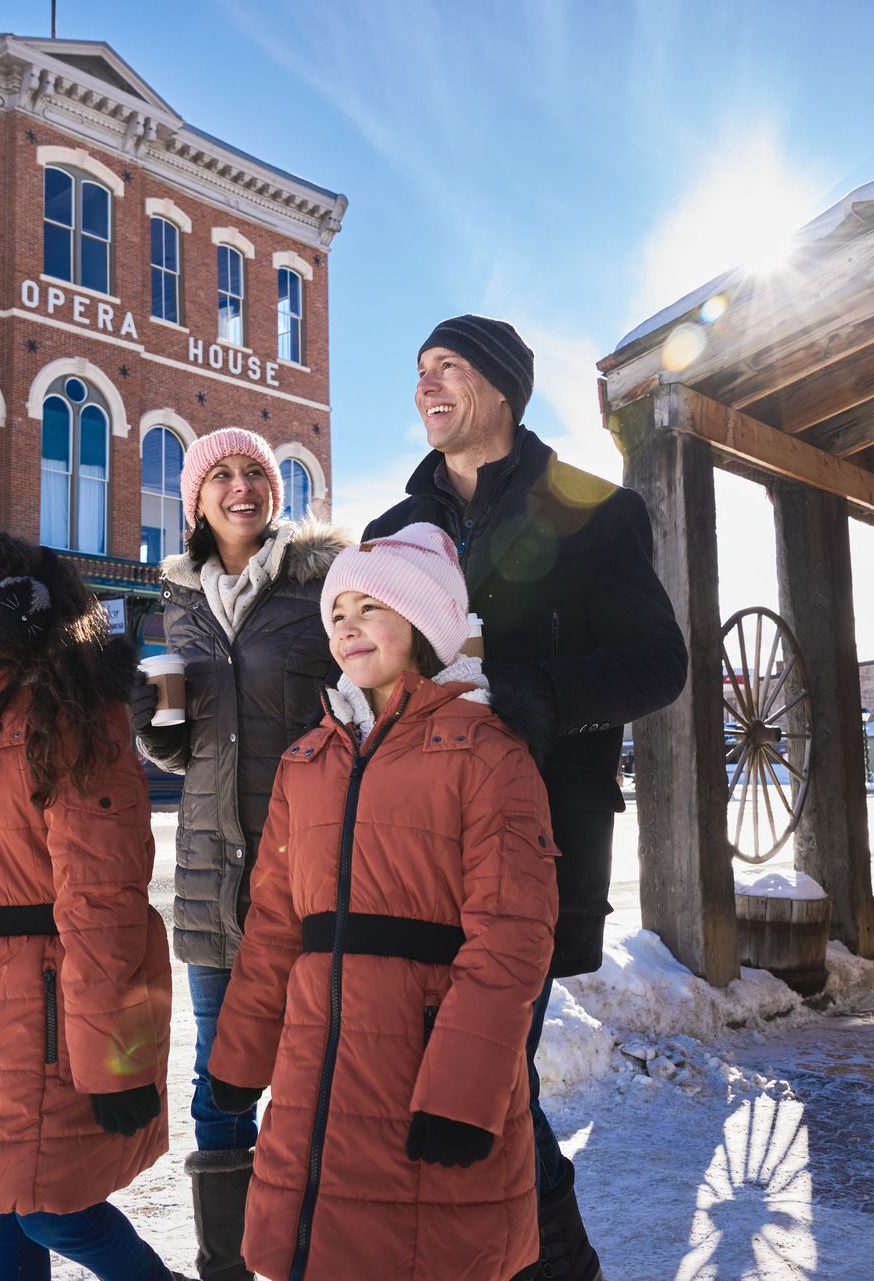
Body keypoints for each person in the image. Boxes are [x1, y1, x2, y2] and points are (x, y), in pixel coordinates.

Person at [365, 315, 689, 1280]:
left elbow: (658, 663)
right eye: (418, 370)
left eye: (448, 368)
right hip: (411, 846)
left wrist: (537, 693)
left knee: (491, 1073)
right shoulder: (393, 533)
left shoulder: (593, 510)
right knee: (442, 1080)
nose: (426, 386)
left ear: (503, 387)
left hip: (532, 842)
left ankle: (553, 1265)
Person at [206, 524, 558, 1281]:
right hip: (313, 1076)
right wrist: (237, 1056)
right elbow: (273, 926)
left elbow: (511, 938)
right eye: (338, 612)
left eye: (372, 607)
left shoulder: (490, 755)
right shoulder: (307, 762)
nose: (348, 625)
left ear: (427, 626)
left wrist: (465, 1087)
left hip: (423, 1076)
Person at [0, 528, 184, 1281]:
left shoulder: (68, 720)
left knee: (48, 1201)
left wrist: (116, 1062)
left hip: (56, 1014)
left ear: (19, 611)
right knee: (1, 1194)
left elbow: (103, 901)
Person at [130, 427, 350, 1281]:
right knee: (219, 1081)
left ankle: (309, 1255)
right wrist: (156, 713)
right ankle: (226, 1266)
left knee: (311, 1076)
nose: (239, 485)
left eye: (253, 470)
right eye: (219, 474)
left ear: (274, 491)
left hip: (304, 876)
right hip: (209, 880)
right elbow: (179, 753)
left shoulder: (319, 586)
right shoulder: (176, 602)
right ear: (196, 500)